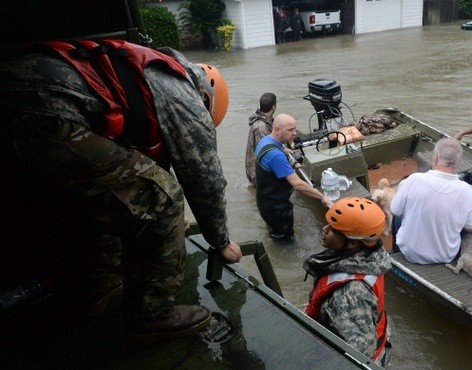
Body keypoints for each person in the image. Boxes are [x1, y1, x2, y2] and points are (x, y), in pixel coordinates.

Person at [0, 39, 242, 344]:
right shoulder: (185, 97)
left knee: (106, 186)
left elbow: (132, 164)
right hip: (41, 113)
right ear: (206, 99)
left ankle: (98, 282)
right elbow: (203, 177)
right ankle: (151, 314)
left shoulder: (148, 73)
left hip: (26, 103)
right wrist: (219, 240)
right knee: (163, 199)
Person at [303, 197, 391, 366]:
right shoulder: (372, 257)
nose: (324, 229)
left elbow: (360, 355)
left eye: (332, 229)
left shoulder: (349, 294)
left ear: (352, 243)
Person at [390, 138, 472, 264]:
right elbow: (470, 226)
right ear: (458, 163)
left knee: (398, 213)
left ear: (436, 157)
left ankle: (395, 251)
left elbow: (394, 210)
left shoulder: (414, 179)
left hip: (410, 252)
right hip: (446, 256)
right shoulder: (465, 190)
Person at [255, 113, 333, 241]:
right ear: (277, 130)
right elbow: (297, 184)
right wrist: (322, 197)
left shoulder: (264, 141)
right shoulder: (276, 156)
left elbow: (273, 154)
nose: (295, 133)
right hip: (277, 209)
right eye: (290, 130)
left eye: (295, 129)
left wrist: (285, 151)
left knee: (273, 231)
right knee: (284, 241)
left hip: (264, 201)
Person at [245, 92, 277, 186]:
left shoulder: (267, 121)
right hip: (258, 174)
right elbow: (266, 152)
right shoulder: (261, 127)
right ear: (273, 107)